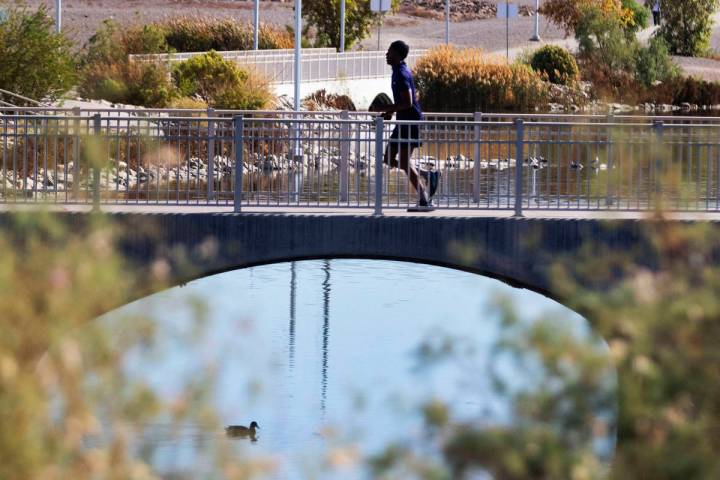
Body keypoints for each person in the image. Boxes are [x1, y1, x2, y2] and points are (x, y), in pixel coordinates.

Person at [377, 40, 429, 207]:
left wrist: (387, 107)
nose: (386, 54)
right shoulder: (396, 71)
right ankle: (424, 174)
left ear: (398, 55)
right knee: (388, 158)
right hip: (403, 122)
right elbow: (403, 101)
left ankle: (423, 198)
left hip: (410, 122)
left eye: (390, 51)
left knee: (405, 161)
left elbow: (407, 102)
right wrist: (390, 112)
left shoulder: (402, 73)